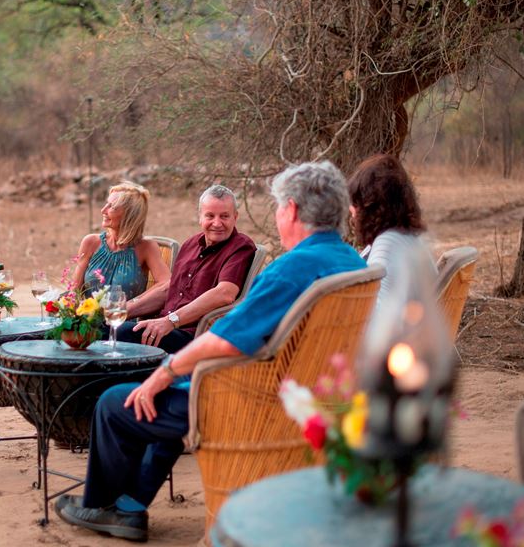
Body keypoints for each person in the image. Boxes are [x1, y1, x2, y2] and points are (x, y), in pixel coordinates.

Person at [55, 161, 367, 542]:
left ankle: (99, 505)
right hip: (305, 395)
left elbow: (225, 340)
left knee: (116, 403)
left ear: (293, 211)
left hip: (246, 400)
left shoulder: (292, 269)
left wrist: (163, 376)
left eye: (279, 207)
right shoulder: (351, 260)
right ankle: (131, 509)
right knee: (167, 390)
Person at [116, 184, 256, 354]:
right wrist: (122, 312)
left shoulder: (240, 247)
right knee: (102, 327)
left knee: (119, 334)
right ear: (200, 217)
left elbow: (225, 294)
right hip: (163, 326)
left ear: (235, 217)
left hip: (193, 336)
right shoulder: (191, 244)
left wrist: (170, 321)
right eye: (210, 216)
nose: (217, 223)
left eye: (224, 216)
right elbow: (170, 291)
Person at [347, 154, 435, 308]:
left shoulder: (386, 247)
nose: (352, 211)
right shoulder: (410, 238)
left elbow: (377, 319)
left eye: (356, 202)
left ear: (371, 206)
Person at [72, 181, 170, 299]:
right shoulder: (91, 242)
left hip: (125, 316)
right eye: (106, 204)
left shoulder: (146, 247)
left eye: (111, 206)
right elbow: (74, 291)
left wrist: (133, 305)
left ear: (129, 214)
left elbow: (167, 283)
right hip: (89, 316)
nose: (103, 210)